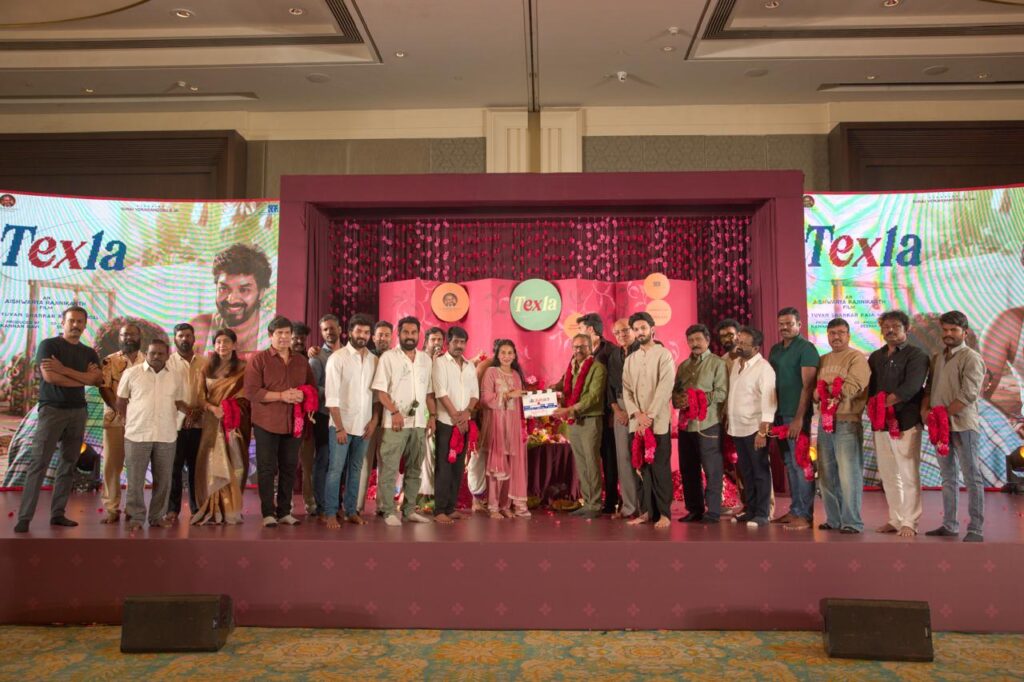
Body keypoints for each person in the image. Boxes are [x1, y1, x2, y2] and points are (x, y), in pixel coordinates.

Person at [14, 305, 102, 533]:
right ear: (63, 322)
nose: (76, 325)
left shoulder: (89, 353)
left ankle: (58, 514)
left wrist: (64, 369)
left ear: (85, 325)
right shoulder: (49, 345)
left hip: (78, 412)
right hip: (52, 410)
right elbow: (51, 377)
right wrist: (82, 377)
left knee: (68, 464)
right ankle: (24, 518)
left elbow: (96, 380)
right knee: (39, 464)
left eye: (80, 321)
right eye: (72, 320)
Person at [244, 316, 316, 528]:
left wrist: (303, 395)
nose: (284, 337)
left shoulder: (301, 361)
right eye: (279, 333)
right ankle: (268, 513)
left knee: (289, 467)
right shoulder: (259, 360)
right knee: (267, 468)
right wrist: (281, 396)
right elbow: (251, 392)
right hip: (266, 423)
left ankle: (284, 511)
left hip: (294, 424)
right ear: (270, 336)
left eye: (287, 333)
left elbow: (311, 387)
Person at [922, 311, 986, 543]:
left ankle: (976, 529)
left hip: (963, 426)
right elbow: (929, 388)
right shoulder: (937, 357)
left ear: (964, 333)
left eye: (954, 330)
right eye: (945, 330)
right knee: (948, 477)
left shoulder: (972, 358)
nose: (948, 334)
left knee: (971, 477)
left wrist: (941, 415)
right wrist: (925, 412)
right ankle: (950, 525)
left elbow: (968, 395)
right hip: (941, 429)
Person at [868, 310, 929, 538]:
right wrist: (875, 409)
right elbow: (871, 388)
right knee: (888, 474)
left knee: (908, 473)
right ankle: (895, 519)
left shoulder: (917, 355)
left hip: (906, 422)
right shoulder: (876, 356)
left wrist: (883, 403)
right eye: (885, 327)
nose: (890, 330)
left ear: (906, 329)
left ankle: (910, 522)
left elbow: (911, 387)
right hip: (881, 424)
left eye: (895, 326)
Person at [116, 339, 187, 531]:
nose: (156, 356)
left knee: (163, 480)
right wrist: (127, 421)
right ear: (146, 354)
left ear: (167, 355)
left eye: (160, 353)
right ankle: (136, 518)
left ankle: (157, 517)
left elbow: (180, 402)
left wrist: (179, 421)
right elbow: (121, 401)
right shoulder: (131, 373)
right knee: (135, 480)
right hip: (136, 434)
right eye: (152, 353)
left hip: (166, 435)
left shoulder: (176, 376)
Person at [371, 316, 436, 526]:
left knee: (415, 468)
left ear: (419, 334)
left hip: (419, 423)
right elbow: (380, 391)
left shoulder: (426, 359)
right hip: (395, 423)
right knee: (389, 468)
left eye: (413, 332)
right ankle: (388, 511)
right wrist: (394, 412)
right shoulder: (388, 357)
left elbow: (429, 393)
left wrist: (432, 417)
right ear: (398, 334)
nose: (410, 336)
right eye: (406, 332)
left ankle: (409, 510)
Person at [813, 318, 871, 534]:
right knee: (826, 473)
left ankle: (852, 522)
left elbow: (852, 386)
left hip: (847, 421)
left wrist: (828, 391)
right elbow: (815, 392)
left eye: (840, 332)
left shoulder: (856, 358)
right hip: (825, 422)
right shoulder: (823, 359)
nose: (836, 337)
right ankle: (834, 519)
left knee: (848, 474)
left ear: (848, 335)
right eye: (832, 333)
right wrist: (823, 391)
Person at [324, 314, 379, 527]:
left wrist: (373, 422)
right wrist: (339, 428)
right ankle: (330, 512)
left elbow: (376, 395)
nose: (362, 336)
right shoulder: (337, 358)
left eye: (366, 332)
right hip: (341, 426)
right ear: (349, 332)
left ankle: (351, 511)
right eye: (359, 331)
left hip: (364, 426)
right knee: (335, 470)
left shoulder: (374, 360)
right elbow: (331, 397)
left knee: (356, 470)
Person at [191, 329, 251, 525]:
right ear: (214, 345)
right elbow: (200, 397)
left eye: (226, 342)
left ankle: (231, 508)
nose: (222, 345)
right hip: (212, 422)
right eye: (218, 342)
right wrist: (213, 408)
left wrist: (229, 408)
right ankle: (213, 508)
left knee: (235, 462)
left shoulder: (244, 368)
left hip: (234, 423)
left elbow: (248, 396)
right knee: (211, 464)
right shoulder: (206, 368)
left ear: (234, 345)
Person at [768, 307, 820, 531]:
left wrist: (799, 418)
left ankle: (805, 515)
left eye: (789, 323)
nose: (784, 327)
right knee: (789, 464)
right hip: (778, 414)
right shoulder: (775, 350)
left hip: (796, 414)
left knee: (801, 463)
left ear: (799, 324)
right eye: (781, 324)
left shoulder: (806, 348)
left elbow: (808, 386)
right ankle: (795, 510)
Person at [623, 312, 675, 528]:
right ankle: (645, 512)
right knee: (640, 468)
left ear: (652, 329)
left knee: (659, 468)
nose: (640, 332)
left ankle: (664, 514)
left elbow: (666, 387)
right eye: (636, 329)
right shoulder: (630, 360)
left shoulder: (664, 355)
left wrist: (650, 415)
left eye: (643, 328)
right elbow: (626, 390)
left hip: (658, 422)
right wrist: (637, 414)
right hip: (637, 423)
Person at [672, 324, 728, 524]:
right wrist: (678, 400)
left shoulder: (717, 363)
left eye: (698, 339)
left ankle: (713, 511)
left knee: (712, 469)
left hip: (708, 424)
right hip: (686, 425)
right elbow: (676, 392)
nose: (694, 344)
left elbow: (721, 393)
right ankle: (694, 509)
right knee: (688, 468)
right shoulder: (684, 366)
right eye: (690, 340)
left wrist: (696, 399)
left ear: (707, 340)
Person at [727, 326, 777, 528]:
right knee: (746, 472)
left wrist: (763, 431)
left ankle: (763, 514)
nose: (739, 346)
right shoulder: (736, 364)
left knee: (760, 471)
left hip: (755, 429)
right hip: (737, 428)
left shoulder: (764, 369)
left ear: (756, 348)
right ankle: (751, 509)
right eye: (738, 341)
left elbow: (769, 401)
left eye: (744, 344)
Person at [553, 334, 607, 519]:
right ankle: (588, 502)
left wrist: (569, 409)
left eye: (583, 346)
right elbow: (564, 387)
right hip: (574, 422)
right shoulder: (571, 367)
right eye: (575, 347)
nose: (578, 350)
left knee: (591, 463)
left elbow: (594, 397)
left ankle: (596, 505)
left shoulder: (598, 368)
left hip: (590, 420)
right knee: (582, 463)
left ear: (590, 348)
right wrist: (548, 393)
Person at [98, 323, 144, 524]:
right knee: (112, 465)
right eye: (124, 335)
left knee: (136, 466)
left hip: (141, 422)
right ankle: (111, 508)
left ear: (140, 337)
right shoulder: (109, 361)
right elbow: (104, 388)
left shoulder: (148, 361)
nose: (128, 338)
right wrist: (120, 409)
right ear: (119, 338)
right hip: (114, 420)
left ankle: (133, 508)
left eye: (132, 334)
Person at [432, 326, 479, 523]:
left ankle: (451, 508)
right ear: (447, 343)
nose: (459, 346)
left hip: (464, 424)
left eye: (462, 342)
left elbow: (475, 394)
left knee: (458, 467)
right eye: (455, 342)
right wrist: (456, 417)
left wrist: (467, 413)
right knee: (444, 467)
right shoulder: (440, 363)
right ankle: (439, 510)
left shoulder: (469, 366)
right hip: (446, 423)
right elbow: (441, 392)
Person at [190, 243, 273, 355]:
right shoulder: (198, 330)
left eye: (244, 290)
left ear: (261, 292)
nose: (232, 299)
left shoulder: (276, 329)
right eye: (224, 288)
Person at [481, 340, 529, 518]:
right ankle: (493, 507)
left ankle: (505, 505)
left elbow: (521, 402)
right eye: (503, 352)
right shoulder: (491, 372)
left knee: (512, 464)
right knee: (497, 465)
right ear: (497, 354)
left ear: (515, 355)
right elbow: (485, 399)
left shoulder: (516, 375)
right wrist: (508, 395)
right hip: (497, 424)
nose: (506, 356)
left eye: (510, 353)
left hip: (513, 424)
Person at [165, 323, 207, 523]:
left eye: (188, 335)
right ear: (175, 338)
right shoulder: (167, 363)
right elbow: (166, 392)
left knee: (196, 468)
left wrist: (197, 412)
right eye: (180, 336)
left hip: (200, 423)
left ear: (194, 338)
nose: (184, 339)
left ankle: (197, 507)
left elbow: (210, 390)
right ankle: (172, 509)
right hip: (174, 424)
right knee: (174, 468)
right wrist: (187, 411)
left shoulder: (205, 362)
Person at [578, 313, 618, 514]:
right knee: (590, 458)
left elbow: (614, 384)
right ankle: (591, 500)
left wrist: (614, 410)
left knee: (609, 459)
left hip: (607, 414)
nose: (578, 333)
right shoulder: (582, 351)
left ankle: (611, 502)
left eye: (580, 328)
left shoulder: (611, 351)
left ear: (590, 329)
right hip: (587, 415)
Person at [355, 319, 394, 513]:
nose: (383, 338)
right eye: (380, 335)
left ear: (392, 337)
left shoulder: (397, 358)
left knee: (386, 463)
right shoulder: (366, 357)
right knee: (363, 463)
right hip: (367, 420)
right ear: (373, 337)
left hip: (390, 420)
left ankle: (383, 506)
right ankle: (357, 506)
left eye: (387, 335)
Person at [307, 314, 342, 523]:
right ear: (321, 333)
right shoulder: (317, 357)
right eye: (325, 329)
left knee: (340, 463)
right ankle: (321, 506)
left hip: (346, 417)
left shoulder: (349, 354)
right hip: (324, 416)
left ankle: (336, 504)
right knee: (324, 460)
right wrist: (336, 394)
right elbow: (313, 387)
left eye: (332, 328)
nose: (329, 332)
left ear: (340, 329)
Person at [607, 318, 639, 519]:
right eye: (617, 333)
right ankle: (629, 507)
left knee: (642, 457)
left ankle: (646, 507)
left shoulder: (643, 350)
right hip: (620, 408)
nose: (622, 335)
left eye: (625, 330)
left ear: (634, 331)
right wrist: (617, 410)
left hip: (641, 407)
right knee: (624, 458)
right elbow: (610, 386)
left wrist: (635, 409)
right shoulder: (614, 355)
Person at [419, 326, 447, 506]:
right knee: (425, 453)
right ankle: (424, 493)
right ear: (426, 342)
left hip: (441, 411)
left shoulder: (445, 360)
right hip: (422, 412)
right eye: (433, 340)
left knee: (437, 453)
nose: (437, 343)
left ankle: (437, 493)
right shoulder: (419, 359)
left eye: (439, 340)